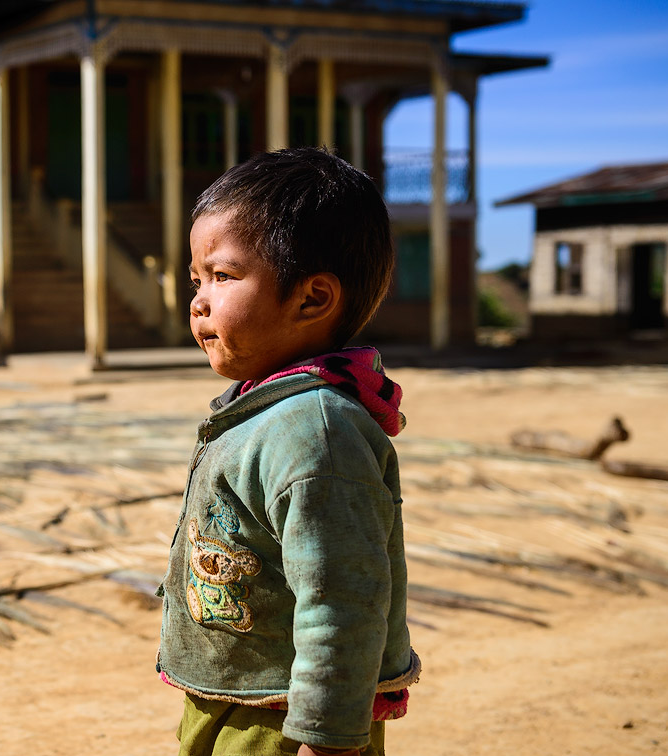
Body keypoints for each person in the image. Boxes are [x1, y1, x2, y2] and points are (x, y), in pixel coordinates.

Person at [156, 147, 419, 756]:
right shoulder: (265, 405)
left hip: (286, 722)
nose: (197, 300)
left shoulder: (317, 432)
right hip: (236, 701)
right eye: (197, 279)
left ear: (312, 299)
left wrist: (325, 740)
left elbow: (343, 600)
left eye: (221, 277)